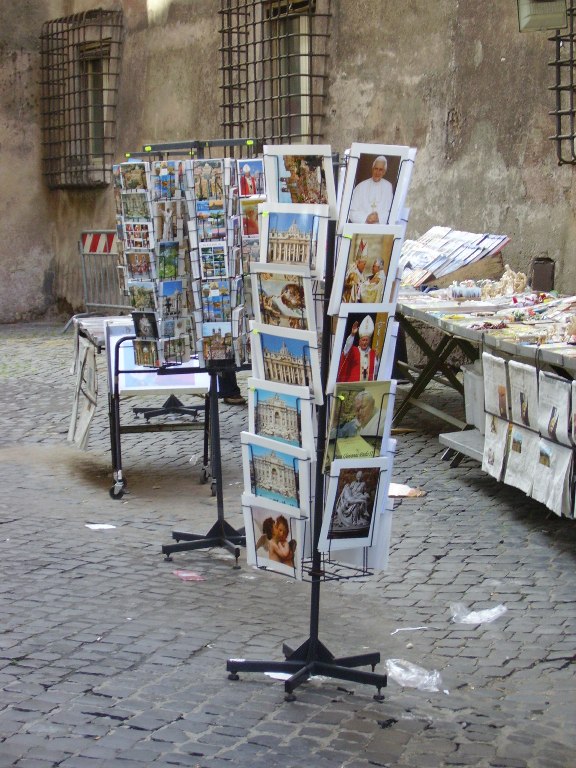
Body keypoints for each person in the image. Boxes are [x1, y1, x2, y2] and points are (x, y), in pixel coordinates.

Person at [348, 155, 393, 224]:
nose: (377, 172)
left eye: (381, 170)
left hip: (380, 231)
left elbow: (392, 212)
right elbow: (351, 211)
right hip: (362, 229)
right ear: (372, 169)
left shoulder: (388, 187)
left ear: (384, 172)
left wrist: (379, 217)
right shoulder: (361, 186)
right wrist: (365, 217)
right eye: (376, 168)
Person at [337, 315, 378, 382]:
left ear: (369, 341)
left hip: (367, 386)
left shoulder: (373, 353)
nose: (364, 342)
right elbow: (346, 347)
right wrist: (352, 334)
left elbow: (375, 372)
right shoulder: (353, 350)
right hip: (352, 386)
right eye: (363, 340)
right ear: (359, 341)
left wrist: (377, 358)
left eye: (366, 340)